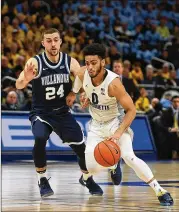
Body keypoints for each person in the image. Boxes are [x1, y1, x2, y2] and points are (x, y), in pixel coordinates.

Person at [72, 43, 173, 206]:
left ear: (103, 62)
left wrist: (118, 133)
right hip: (96, 125)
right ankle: (110, 165)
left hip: (115, 123)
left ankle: (160, 190)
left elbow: (131, 110)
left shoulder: (114, 83)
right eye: (87, 62)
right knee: (90, 167)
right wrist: (84, 95)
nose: (89, 67)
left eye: (94, 63)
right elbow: (79, 89)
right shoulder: (82, 73)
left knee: (129, 157)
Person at [15, 28, 103, 198]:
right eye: (48, 40)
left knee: (80, 148)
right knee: (40, 137)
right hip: (41, 112)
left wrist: (77, 93)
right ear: (43, 43)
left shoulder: (70, 62)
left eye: (56, 40)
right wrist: (25, 78)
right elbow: (19, 85)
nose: (53, 43)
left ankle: (87, 178)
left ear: (61, 41)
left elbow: (83, 81)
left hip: (62, 112)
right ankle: (42, 179)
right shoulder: (35, 62)